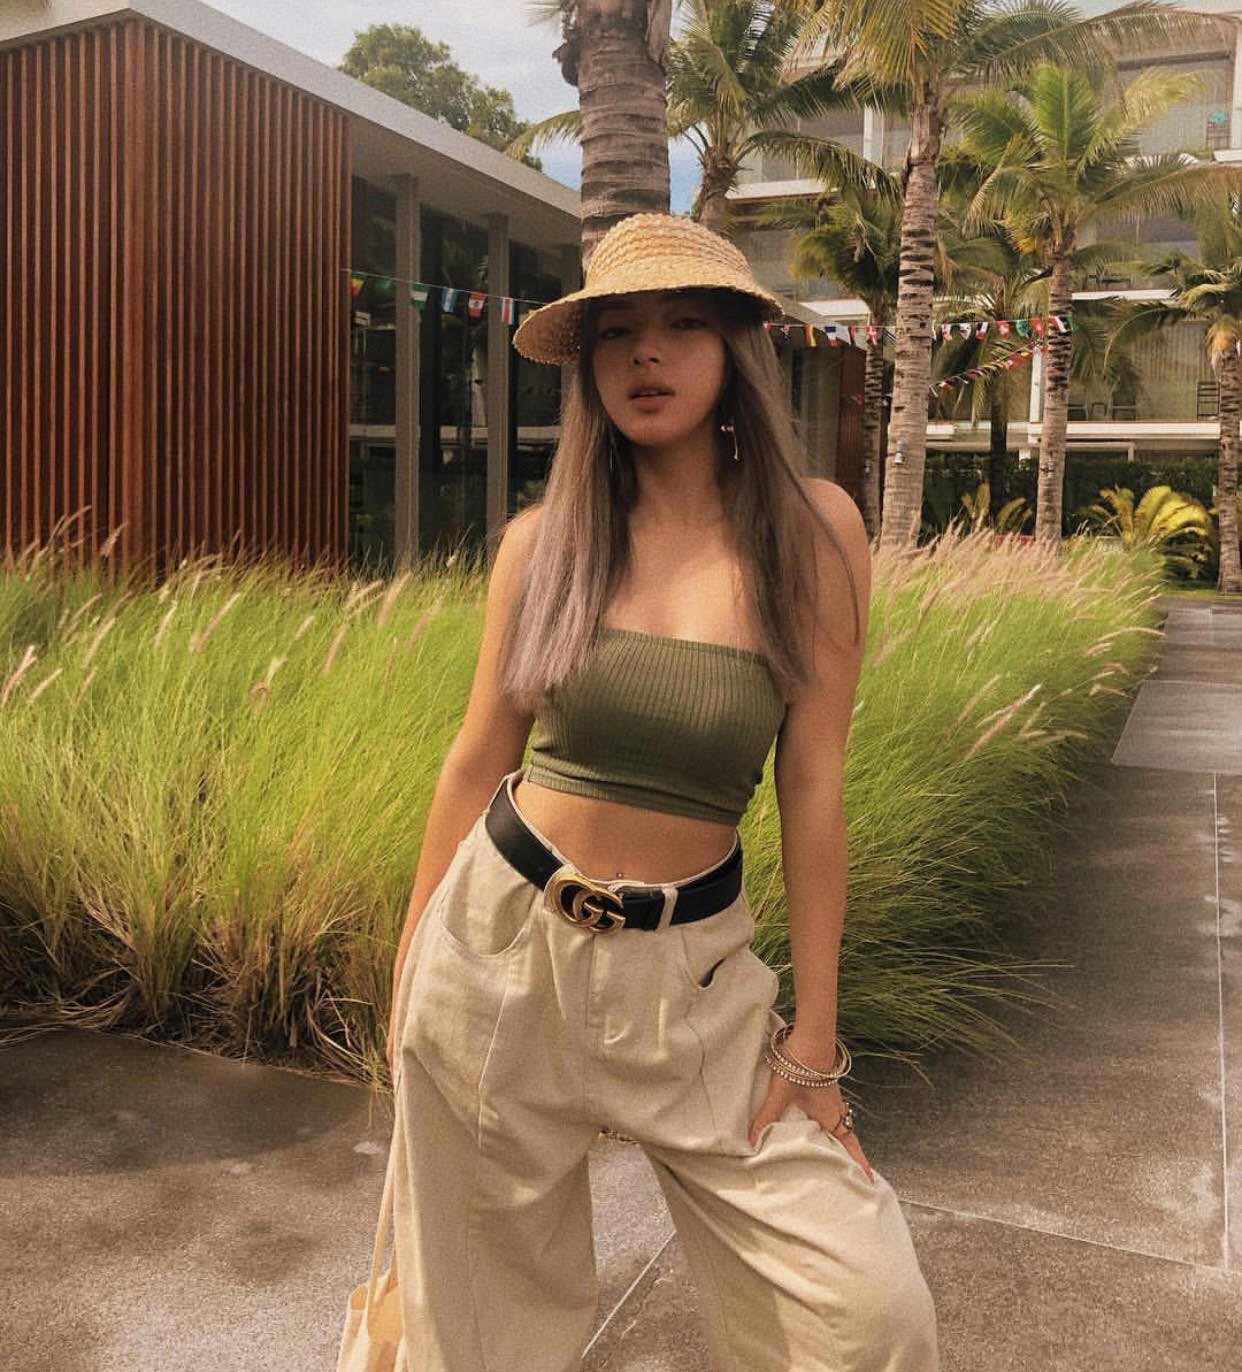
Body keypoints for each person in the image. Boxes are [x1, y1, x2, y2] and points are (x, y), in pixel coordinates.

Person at [338, 212, 940, 1372]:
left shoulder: (816, 532)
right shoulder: (545, 542)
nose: (646, 354)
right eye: (618, 333)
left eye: (680, 325)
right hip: (500, 951)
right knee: (475, 1338)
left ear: (734, 349)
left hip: (693, 980)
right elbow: (476, 756)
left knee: (864, 1309)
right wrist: (414, 961)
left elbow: (814, 785)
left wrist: (815, 1042)